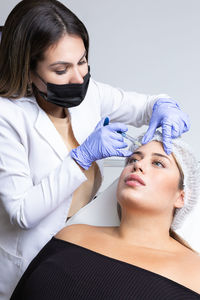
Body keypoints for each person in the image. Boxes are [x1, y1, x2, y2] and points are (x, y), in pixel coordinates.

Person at [0, 0, 190, 298]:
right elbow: (22, 213)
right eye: (61, 69)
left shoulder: (91, 94)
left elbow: (144, 105)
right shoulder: (6, 117)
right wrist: (81, 158)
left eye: (83, 61)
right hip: (31, 260)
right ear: (28, 71)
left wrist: (163, 105)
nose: (79, 78)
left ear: (182, 195)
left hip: (79, 250)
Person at [10, 131, 200, 299]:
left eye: (158, 163)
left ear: (181, 197)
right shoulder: (72, 235)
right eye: (133, 159)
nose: (138, 165)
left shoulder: (195, 273)